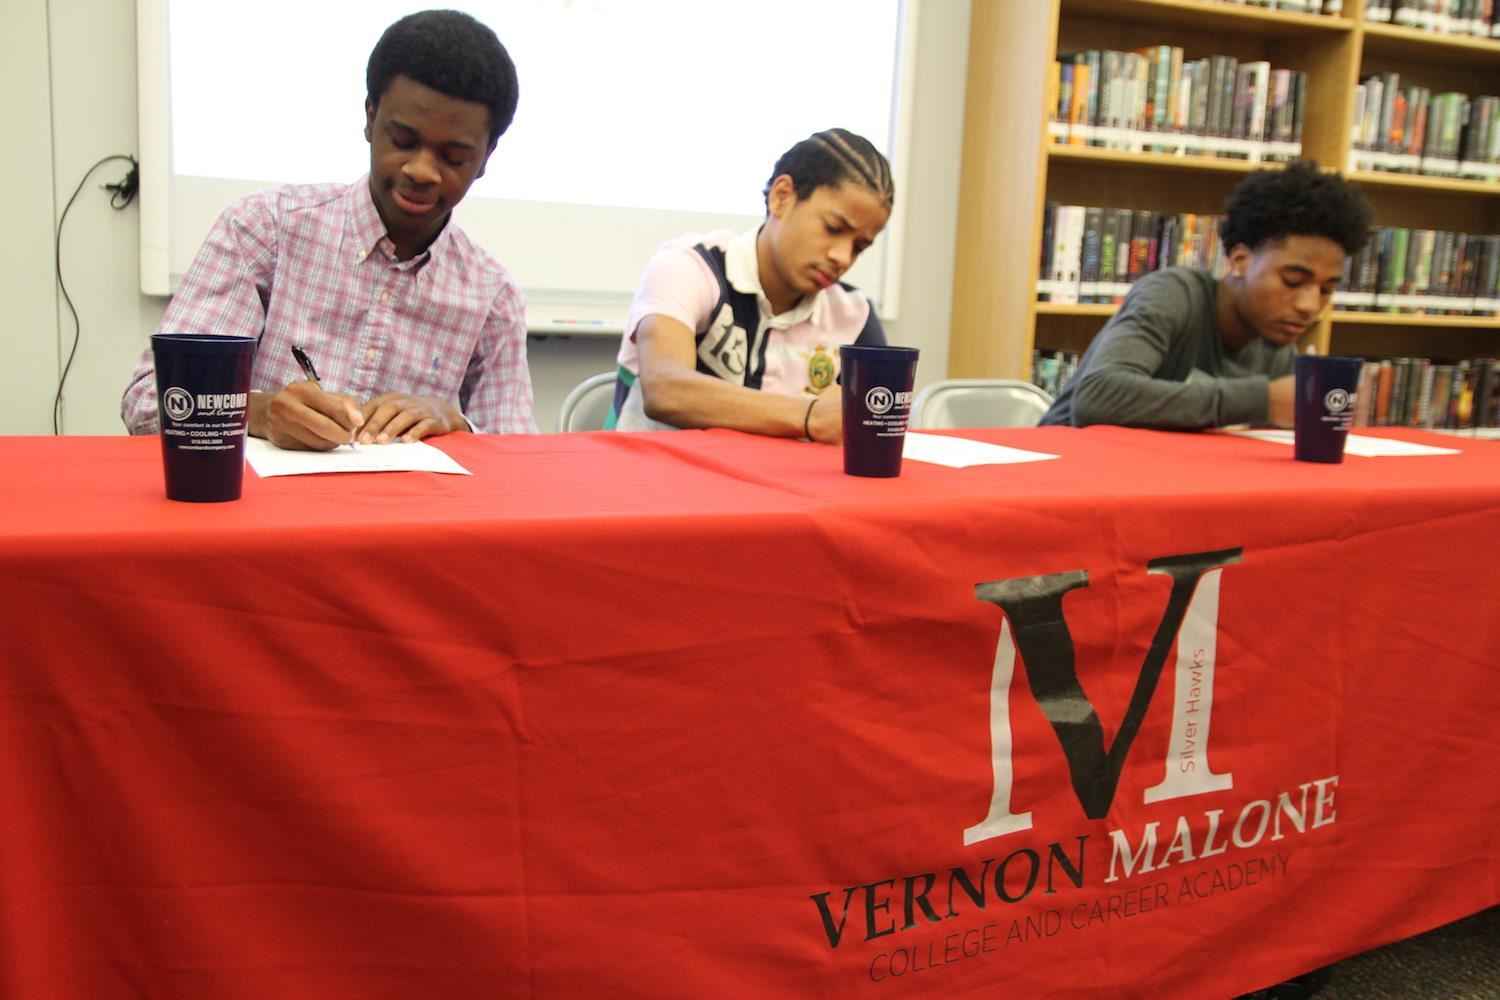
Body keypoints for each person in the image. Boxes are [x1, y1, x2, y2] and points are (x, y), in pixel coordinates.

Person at [122, 9, 536, 447]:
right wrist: (259, 412)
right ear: (370, 117)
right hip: (263, 512)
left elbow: (519, 454)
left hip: (406, 514)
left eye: (453, 157)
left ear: (487, 158)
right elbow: (150, 403)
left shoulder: (493, 297)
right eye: (403, 140)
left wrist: (458, 426)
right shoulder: (265, 230)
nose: (422, 170)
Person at [610, 128, 894, 444]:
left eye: (859, 247)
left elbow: (878, 424)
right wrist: (810, 415)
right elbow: (665, 387)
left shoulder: (853, 313)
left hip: (784, 488)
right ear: (781, 196)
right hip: (658, 481)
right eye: (833, 228)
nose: (842, 257)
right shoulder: (689, 267)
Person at [1040, 161, 1371, 430]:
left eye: (1327, 289)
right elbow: (1098, 397)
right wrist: (1263, 400)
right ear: (1240, 260)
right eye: (1292, 280)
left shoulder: (1277, 342)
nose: (1310, 306)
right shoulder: (1174, 295)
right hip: (1067, 483)